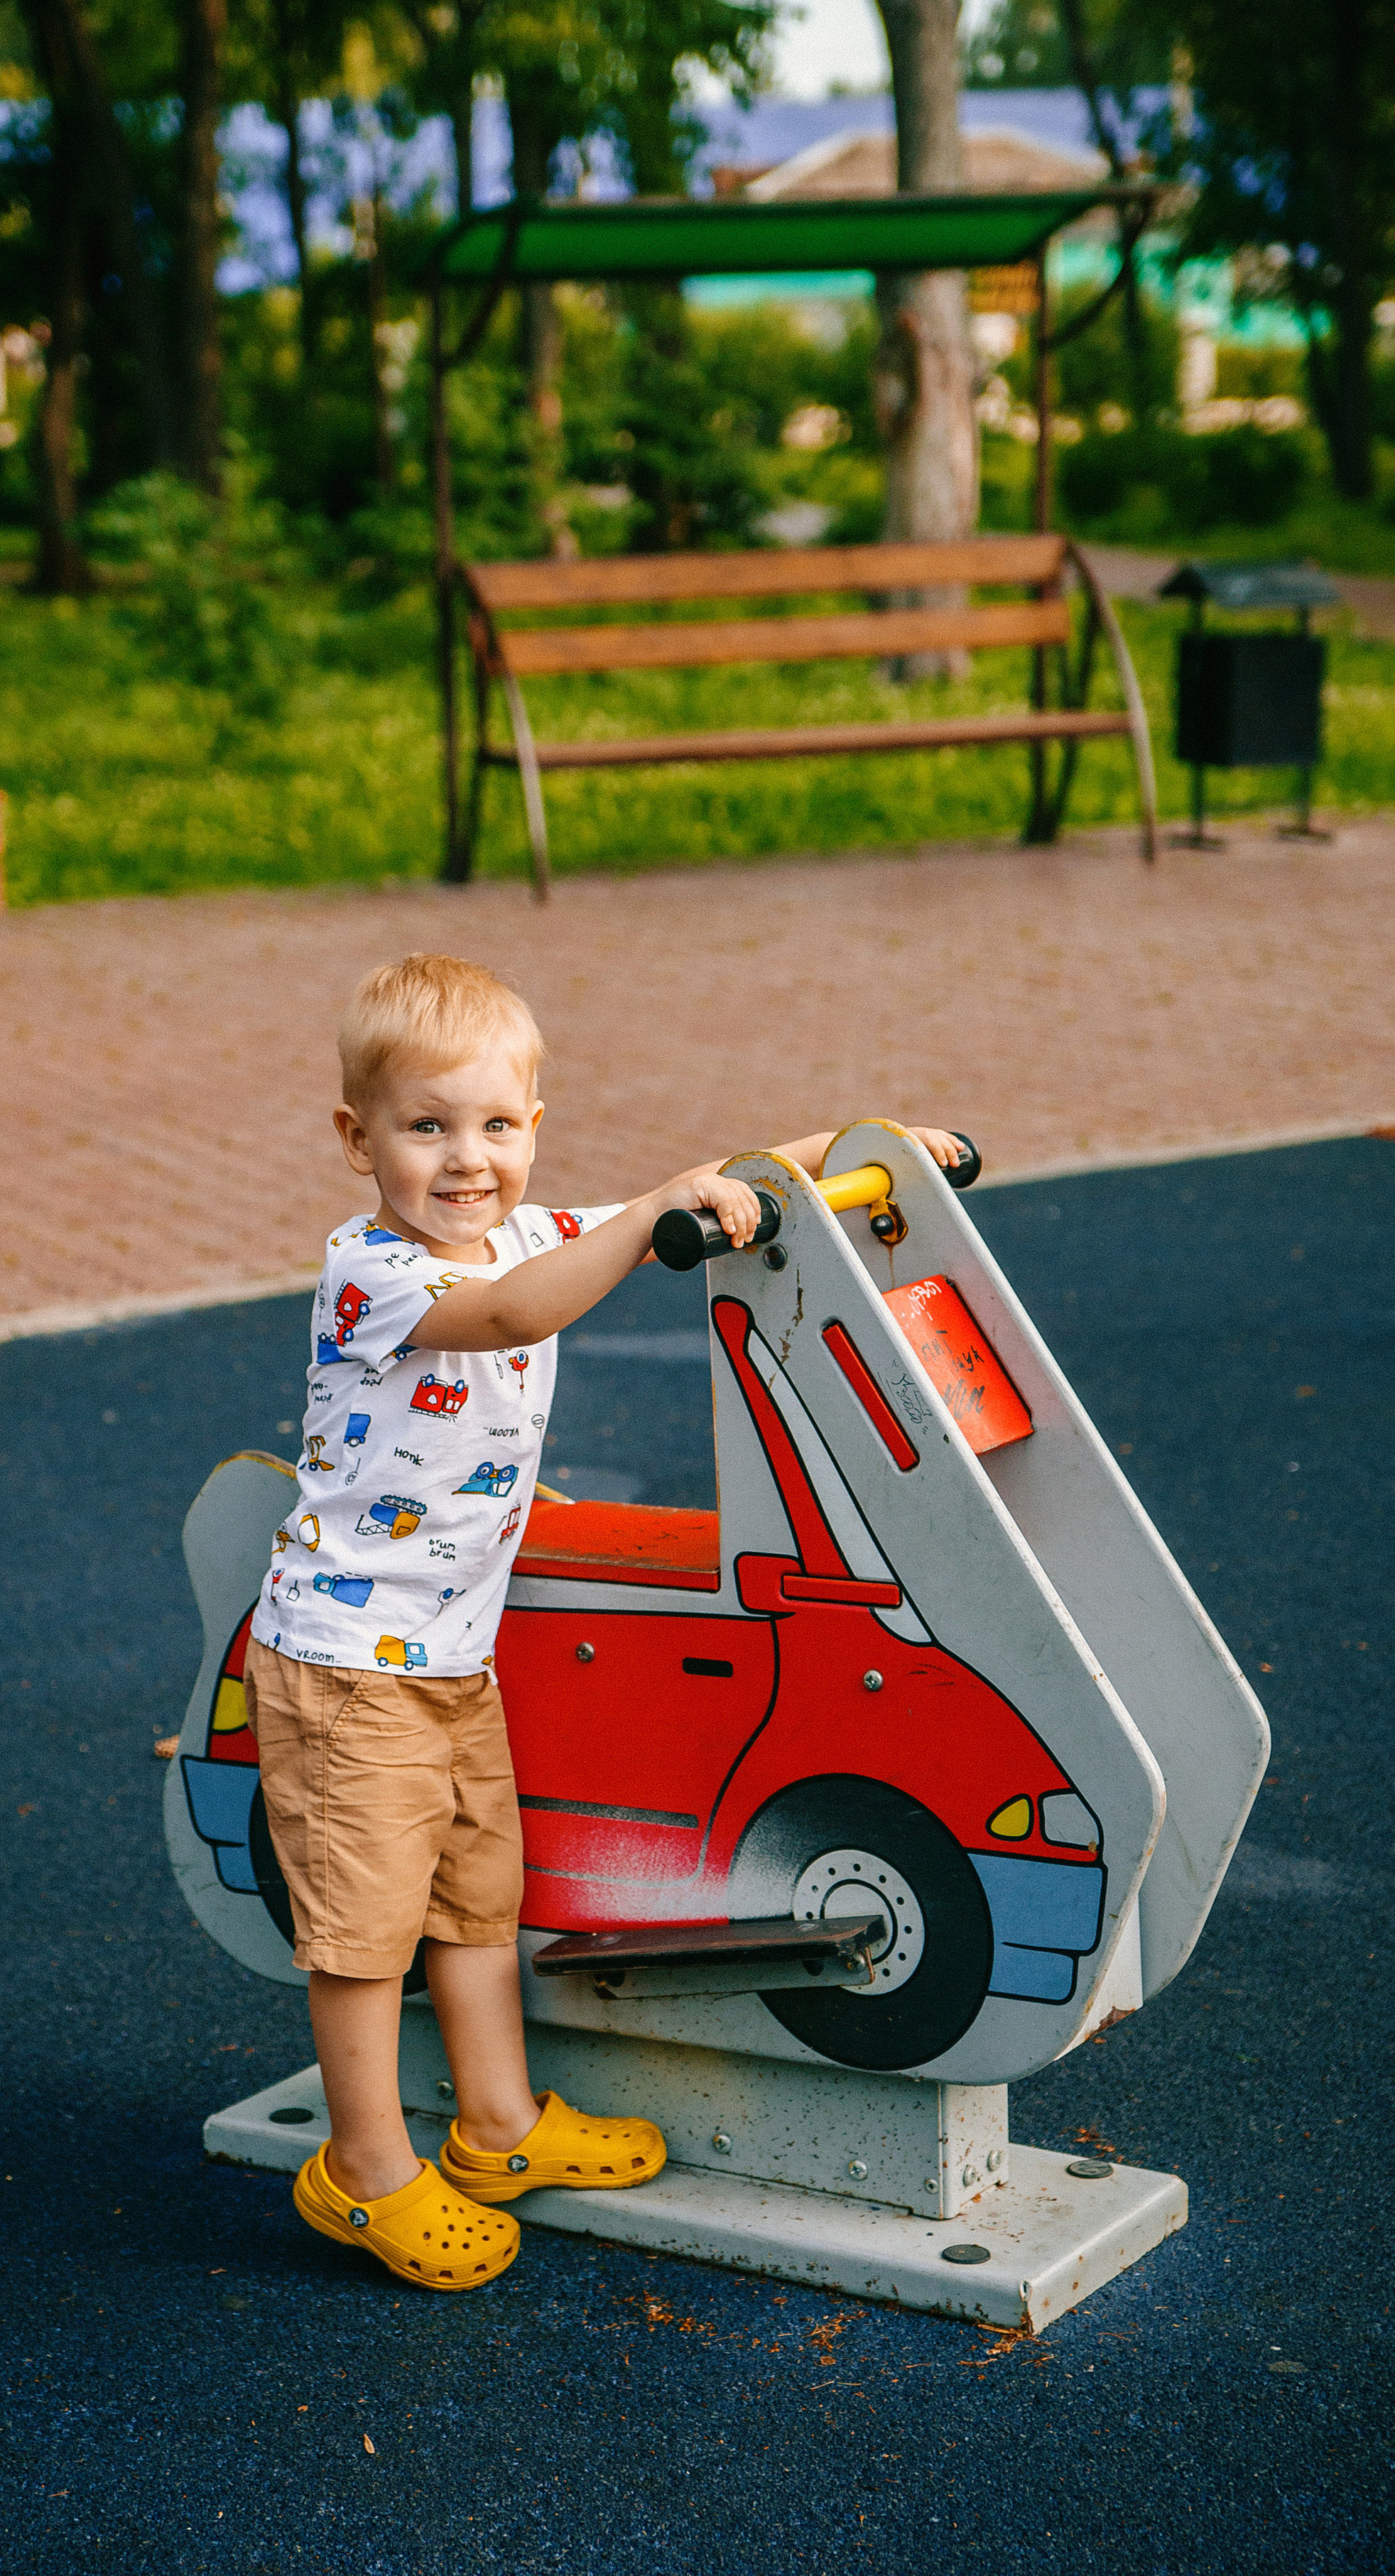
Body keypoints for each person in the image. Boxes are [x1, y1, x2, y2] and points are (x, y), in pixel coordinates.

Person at [245, 952, 963, 2290]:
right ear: (358, 1139)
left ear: (534, 1127)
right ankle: (364, 2169)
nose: (468, 1160)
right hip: (347, 1669)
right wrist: (646, 1219)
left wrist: (876, 1152)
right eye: (427, 1126)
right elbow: (517, 1312)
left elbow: (721, 1175)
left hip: (451, 1659)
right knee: (365, 1932)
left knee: (477, 1904)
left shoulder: (528, 1231)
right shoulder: (373, 1272)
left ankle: (498, 2125)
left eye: (495, 1125)